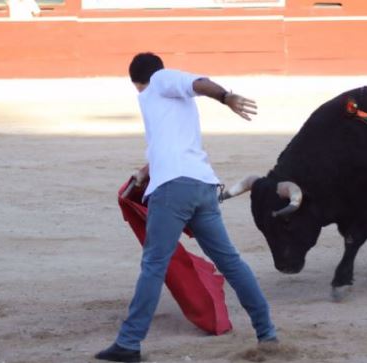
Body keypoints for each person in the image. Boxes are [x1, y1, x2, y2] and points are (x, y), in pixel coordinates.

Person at [95, 52, 277, 363]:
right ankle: (267, 334)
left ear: (138, 82)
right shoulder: (169, 100)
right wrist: (144, 171)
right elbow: (168, 144)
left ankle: (128, 342)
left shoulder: (159, 81)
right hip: (202, 187)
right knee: (231, 262)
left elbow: (198, 82)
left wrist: (226, 97)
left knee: (154, 265)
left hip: (173, 191)